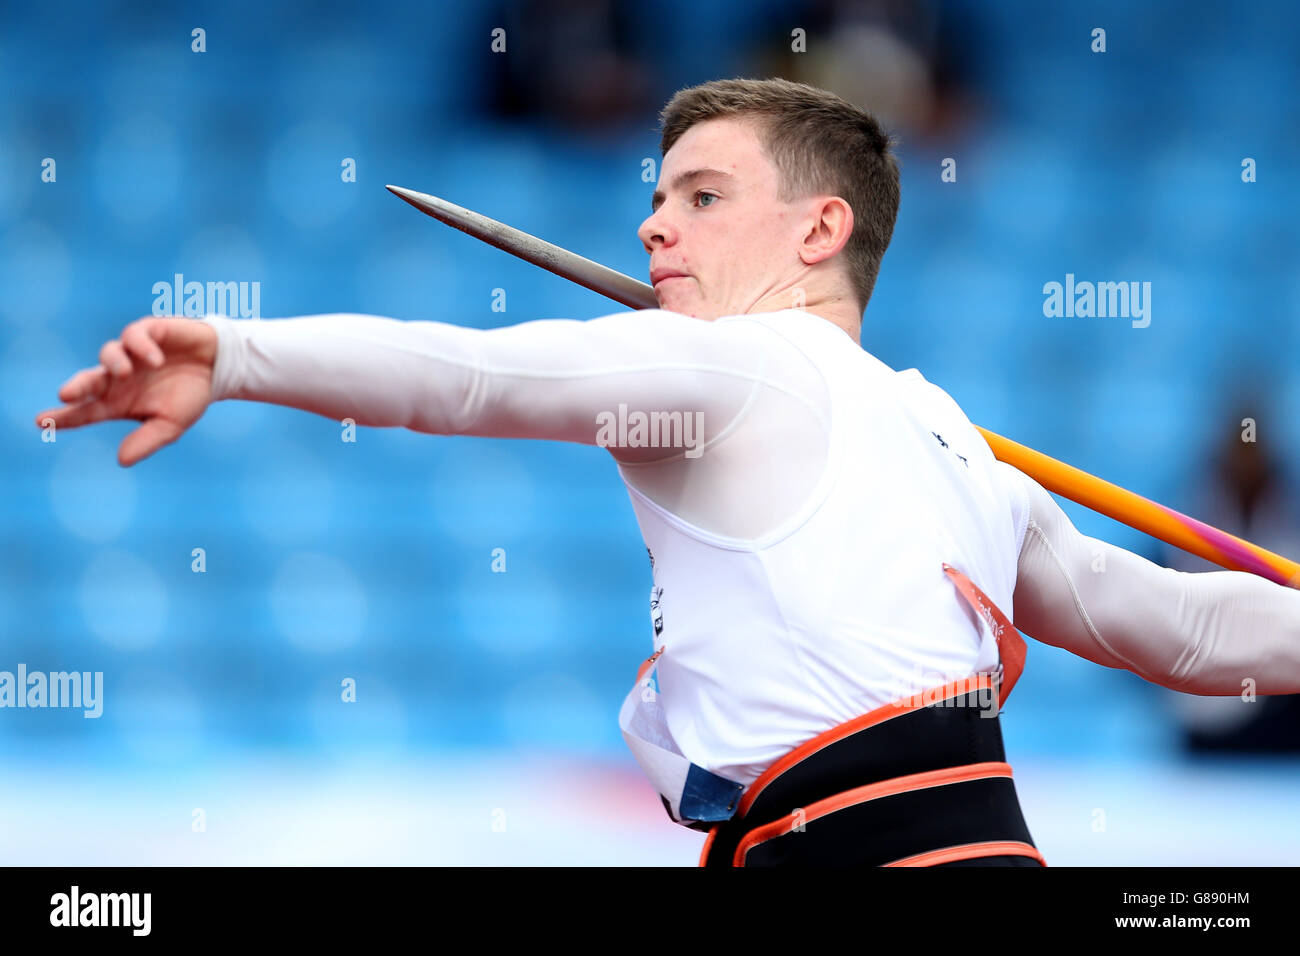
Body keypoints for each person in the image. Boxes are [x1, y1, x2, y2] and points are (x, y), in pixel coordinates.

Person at [36, 77, 1300, 867]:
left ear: (819, 228)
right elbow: (1181, 626)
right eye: (657, 198)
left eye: (699, 197)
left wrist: (242, 350)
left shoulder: (749, 370)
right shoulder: (944, 434)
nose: (652, 227)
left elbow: (469, 379)